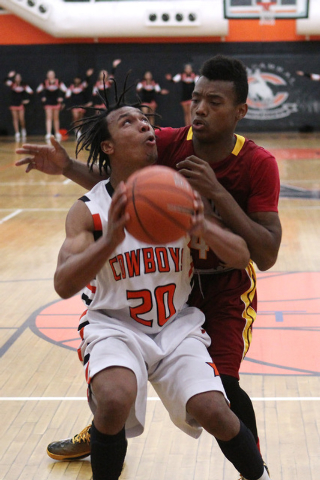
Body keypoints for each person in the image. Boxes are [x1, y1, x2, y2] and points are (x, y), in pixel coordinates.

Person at [16, 55, 281, 479]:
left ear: (240, 111)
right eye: (196, 99)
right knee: (115, 394)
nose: (200, 109)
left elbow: (262, 256)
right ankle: (105, 421)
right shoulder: (170, 144)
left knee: (221, 393)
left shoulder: (257, 163)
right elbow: (125, 183)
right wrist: (68, 168)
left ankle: (256, 468)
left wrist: (212, 200)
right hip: (158, 297)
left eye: (214, 102)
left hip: (218, 287)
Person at [36, 70, 67, 141]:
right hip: (48, 102)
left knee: (56, 118)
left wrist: (61, 98)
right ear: (47, 75)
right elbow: (38, 90)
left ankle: (57, 132)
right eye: (49, 74)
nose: (51, 75)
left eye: (52, 74)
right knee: (48, 118)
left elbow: (66, 90)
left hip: (56, 102)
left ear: (54, 75)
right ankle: (48, 133)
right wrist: (42, 97)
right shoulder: (45, 82)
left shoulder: (58, 82)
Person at [4, 70, 33, 141]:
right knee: (15, 118)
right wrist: (9, 76)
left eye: (19, 77)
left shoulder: (24, 85)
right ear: (14, 78)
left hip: (20, 104)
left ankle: (23, 129)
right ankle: (17, 132)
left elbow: (31, 92)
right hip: (13, 103)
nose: (18, 78)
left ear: (20, 78)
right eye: (16, 77)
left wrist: (27, 100)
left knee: (22, 119)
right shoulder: (12, 84)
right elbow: (5, 81)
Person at [65, 69, 94, 137]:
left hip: (81, 104)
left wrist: (88, 76)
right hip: (74, 105)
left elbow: (87, 83)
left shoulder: (82, 86)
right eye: (76, 79)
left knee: (81, 118)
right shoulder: (71, 87)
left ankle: (79, 131)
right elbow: (67, 96)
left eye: (78, 79)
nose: (77, 81)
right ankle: (76, 129)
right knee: (75, 117)